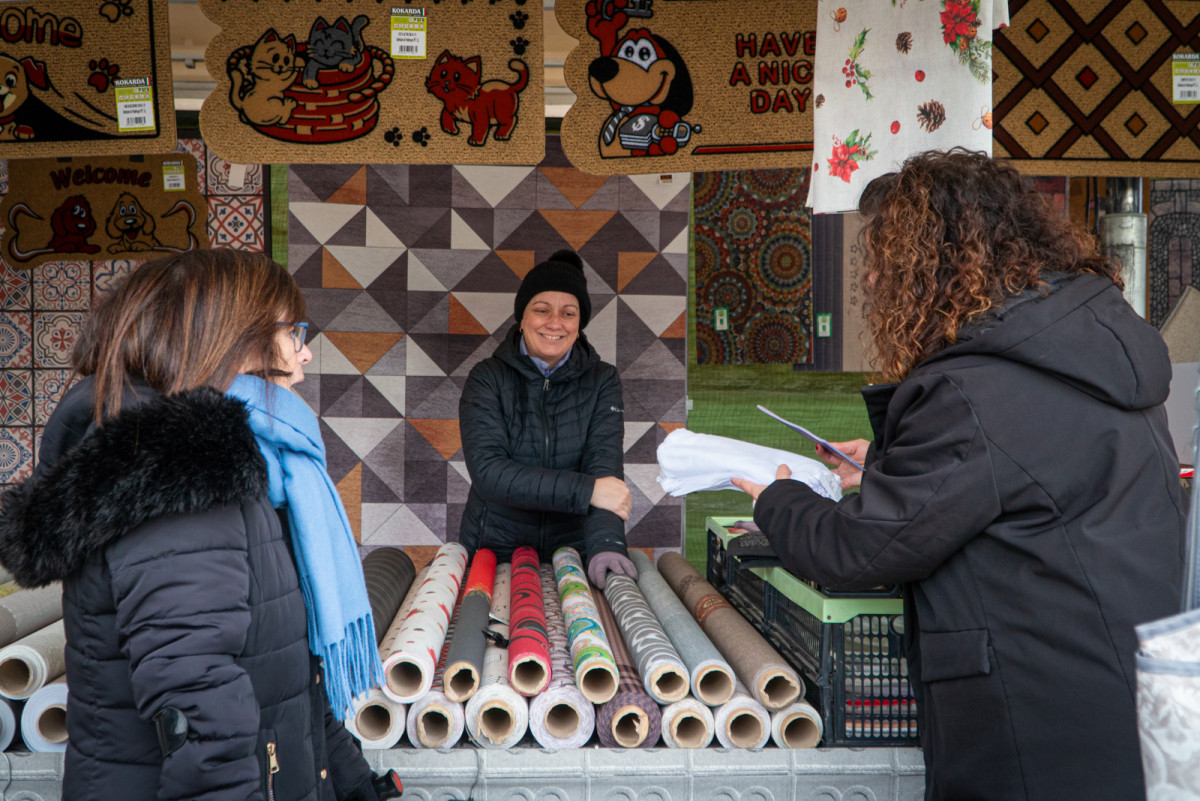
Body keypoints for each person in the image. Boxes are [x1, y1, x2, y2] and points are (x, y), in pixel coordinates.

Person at [732, 149, 1186, 801]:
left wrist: (778, 496)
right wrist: (885, 465)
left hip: (1038, 725)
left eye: (884, 259)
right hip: (1121, 701)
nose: (874, 280)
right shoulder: (1089, 350)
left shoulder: (973, 390)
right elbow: (1005, 480)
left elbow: (858, 550)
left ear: (931, 264)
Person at [0, 250, 399, 801]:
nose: (304, 352)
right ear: (231, 335)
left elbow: (287, 681)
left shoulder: (239, 466)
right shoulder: (178, 470)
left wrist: (354, 786)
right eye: (294, 330)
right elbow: (198, 705)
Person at [459, 248, 636, 588]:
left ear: (579, 323)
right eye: (542, 310)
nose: (555, 323)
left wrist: (606, 544)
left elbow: (604, 472)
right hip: (494, 553)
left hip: (571, 554)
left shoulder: (602, 380)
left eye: (568, 313)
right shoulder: (487, 377)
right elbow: (489, 473)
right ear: (522, 318)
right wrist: (586, 491)